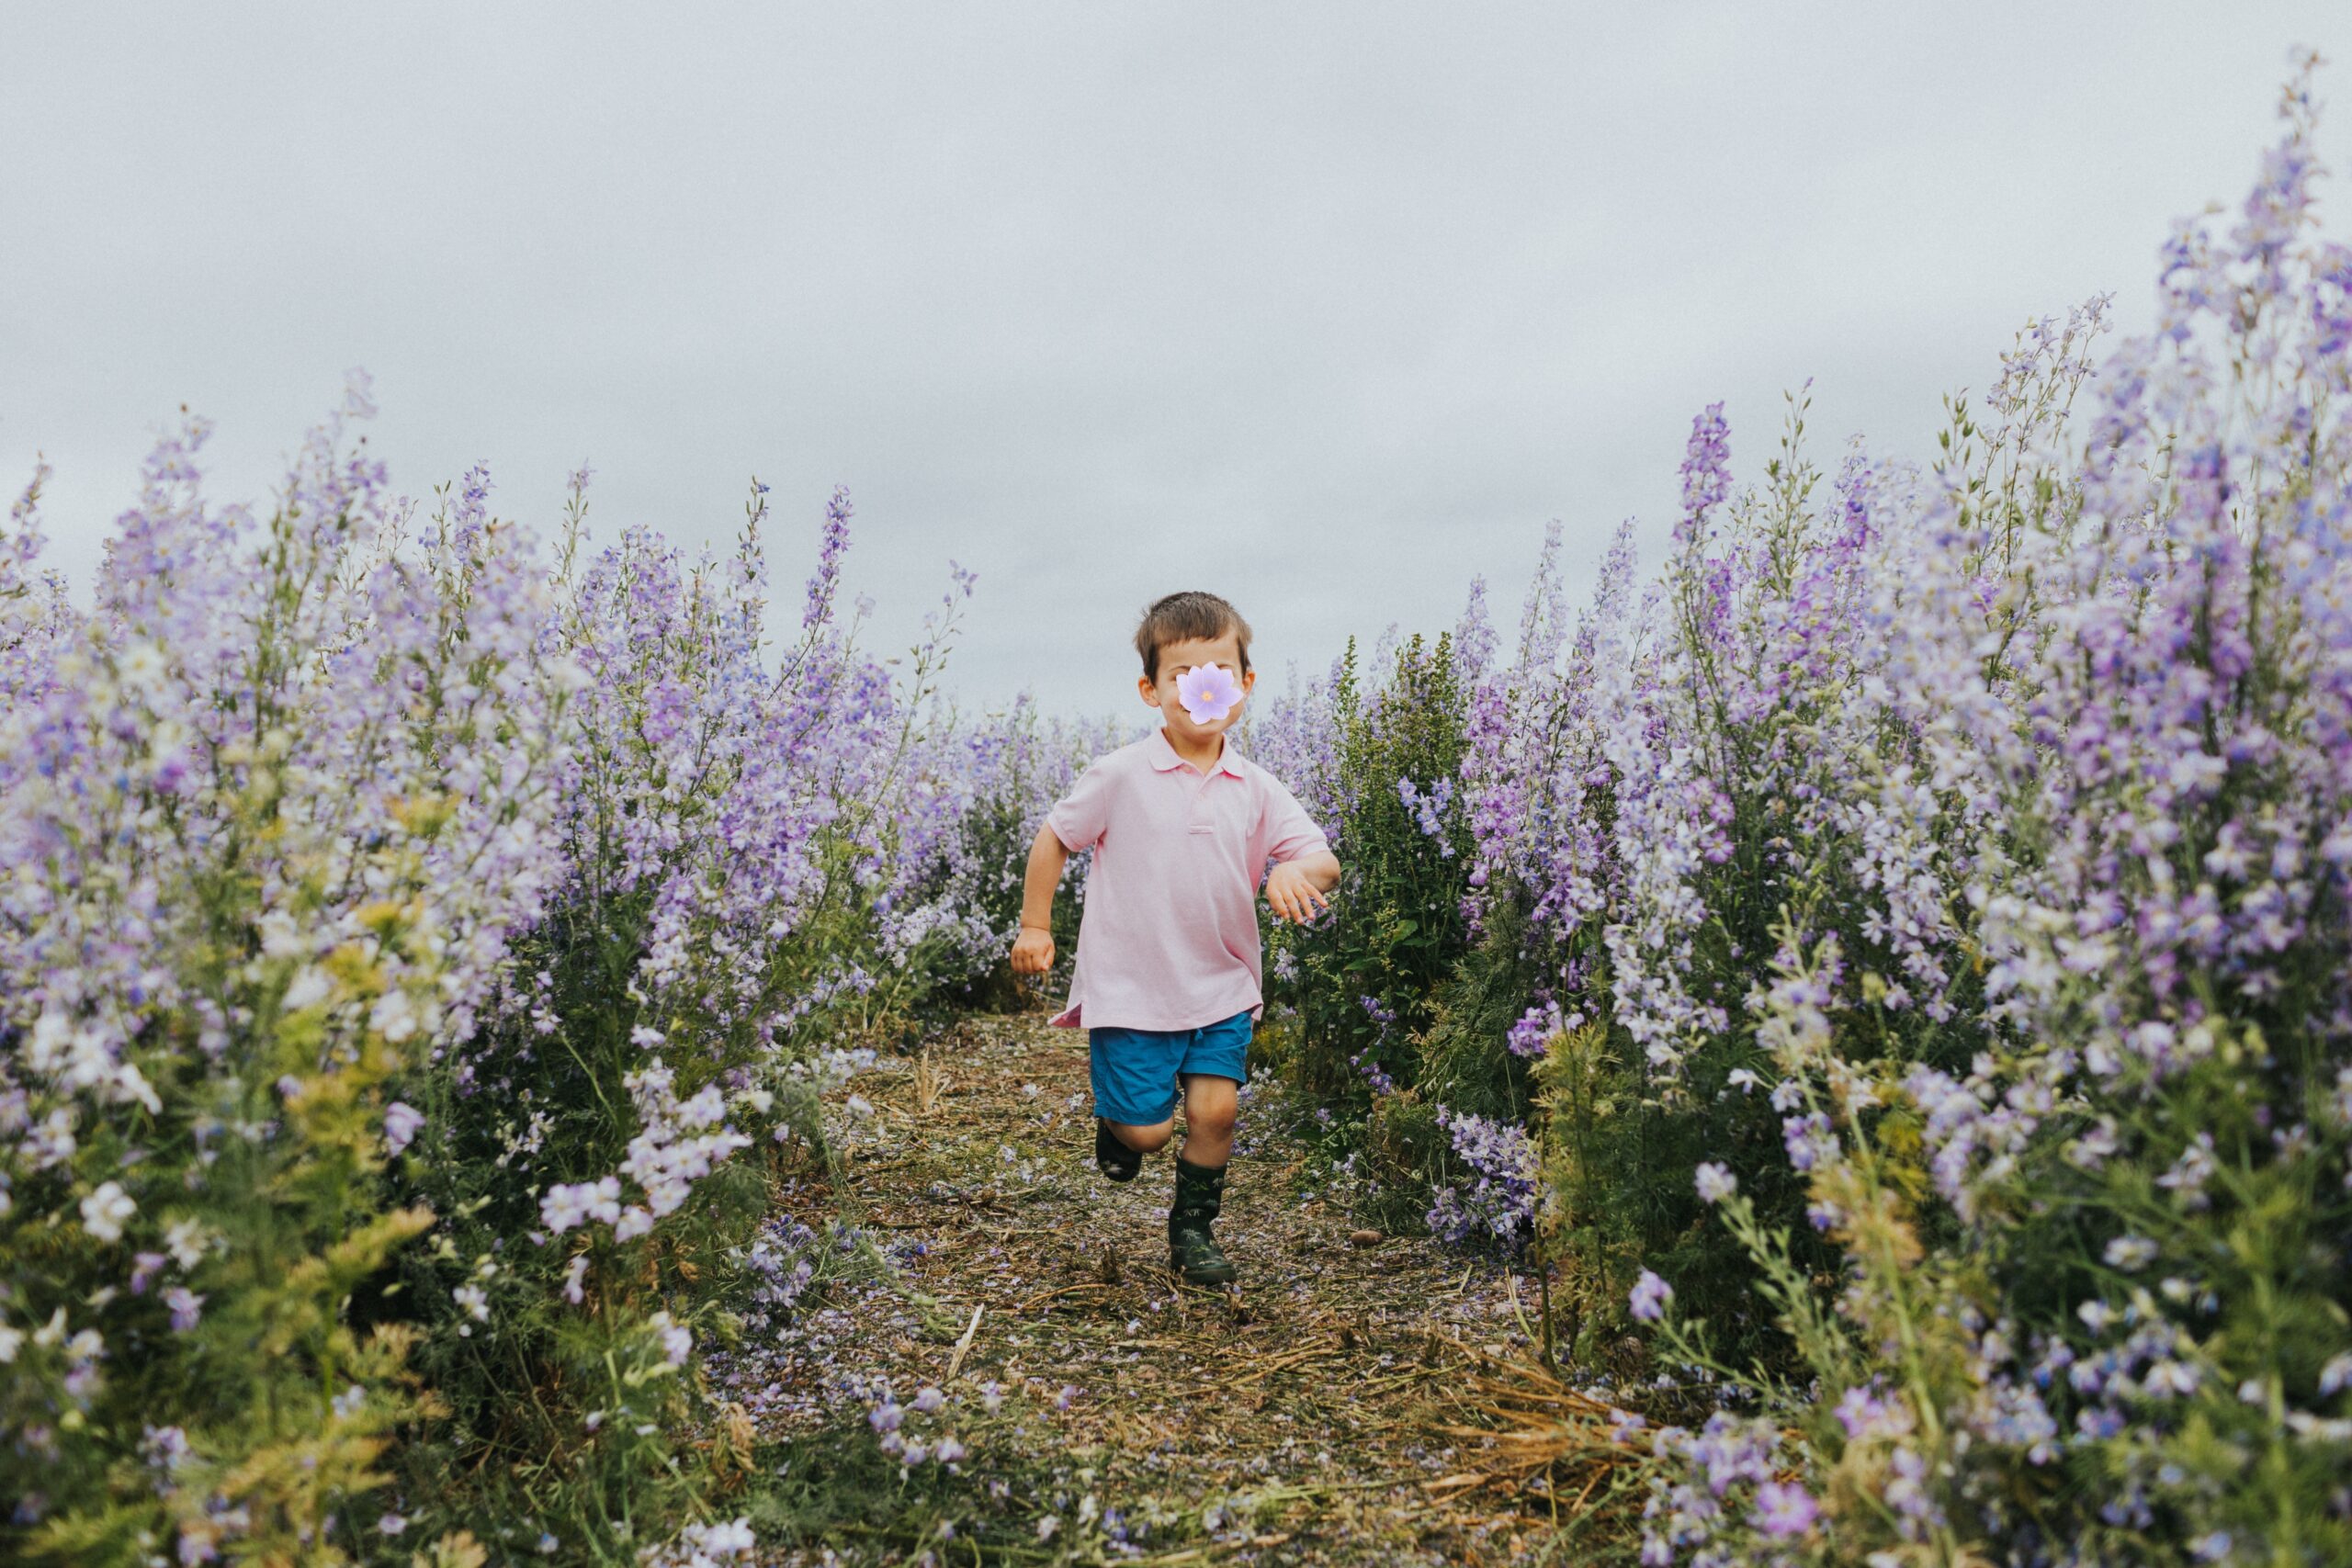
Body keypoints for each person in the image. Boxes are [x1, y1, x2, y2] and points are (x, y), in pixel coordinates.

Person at [1009, 590, 1340, 1287]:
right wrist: (1035, 924)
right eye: (1183, 677)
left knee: (1216, 1111)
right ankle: (1120, 1124)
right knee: (1149, 1132)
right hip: (1132, 986)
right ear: (1151, 690)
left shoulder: (1256, 787)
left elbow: (1323, 858)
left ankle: (1192, 1229)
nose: (1202, 691)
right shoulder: (1120, 775)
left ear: (1245, 684)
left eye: (1218, 674)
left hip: (1220, 981)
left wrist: (1291, 871)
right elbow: (1054, 837)